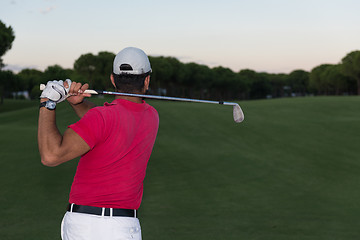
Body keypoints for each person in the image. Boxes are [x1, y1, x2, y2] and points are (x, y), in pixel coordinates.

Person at [38, 47, 159, 240]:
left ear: (113, 79)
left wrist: (48, 102)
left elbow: (51, 155)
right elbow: (107, 126)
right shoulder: (152, 116)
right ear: (146, 80)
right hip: (125, 228)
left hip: (89, 227)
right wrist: (78, 103)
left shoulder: (102, 118)